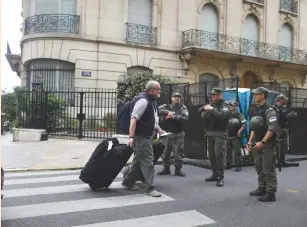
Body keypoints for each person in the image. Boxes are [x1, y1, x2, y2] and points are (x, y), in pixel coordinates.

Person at [121, 80, 165, 197]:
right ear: (151, 90)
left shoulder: (151, 101)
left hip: (146, 136)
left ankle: (128, 182)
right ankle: (149, 188)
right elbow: (133, 119)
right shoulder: (143, 101)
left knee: (138, 160)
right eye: (158, 89)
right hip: (141, 137)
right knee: (148, 161)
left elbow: (152, 120)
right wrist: (131, 137)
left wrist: (159, 130)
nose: (159, 92)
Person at [247, 87, 278, 202]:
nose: (254, 96)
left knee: (268, 168)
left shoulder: (269, 110)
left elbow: (272, 129)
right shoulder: (257, 110)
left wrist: (263, 142)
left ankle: (271, 193)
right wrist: (250, 141)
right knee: (259, 167)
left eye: (256, 94)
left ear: (263, 96)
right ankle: (262, 187)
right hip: (258, 143)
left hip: (267, 144)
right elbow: (254, 128)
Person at [199, 88, 230, 187]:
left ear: (220, 95)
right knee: (211, 155)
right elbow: (200, 113)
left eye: (214, 95)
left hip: (220, 133)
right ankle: (214, 174)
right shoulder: (210, 104)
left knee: (218, 155)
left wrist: (212, 110)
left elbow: (221, 116)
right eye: (212, 95)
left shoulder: (225, 105)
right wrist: (205, 109)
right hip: (210, 133)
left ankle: (220, 177)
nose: (212, 96)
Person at [157, 92, 189, 177]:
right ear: (171, 98)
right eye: (175, 97)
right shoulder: (167, 106)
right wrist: (168, 112)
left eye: (178, 97)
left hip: (178, 134)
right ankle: (166, 169)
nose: (177, 98)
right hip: (168, 134)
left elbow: (185, 118)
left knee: (178, 153)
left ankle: (178, 170)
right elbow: (159, 109)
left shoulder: (183, 107)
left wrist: (173, 116)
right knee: (165, 152)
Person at [274, 94, 297, 167]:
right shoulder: (279, 108)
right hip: (280, 128)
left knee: (281, 144)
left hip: (280, 128)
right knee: (281, 144)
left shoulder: (278, 107)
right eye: (284, 99)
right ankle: (280, 161)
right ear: (281, 100)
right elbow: (290, 115)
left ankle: (280, 160)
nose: (285, 101)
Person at [225, 101, 246, 172]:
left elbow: (244, 124)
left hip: (236, 136)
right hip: (229, 135)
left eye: (233, 105)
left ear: (236, 106)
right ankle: (228, 163)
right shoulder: (228, 114)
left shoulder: (239, 115)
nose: (231, 107)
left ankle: (238, 165)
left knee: (237, 151)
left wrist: (240, 130)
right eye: (231, 105)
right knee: (228, 150)